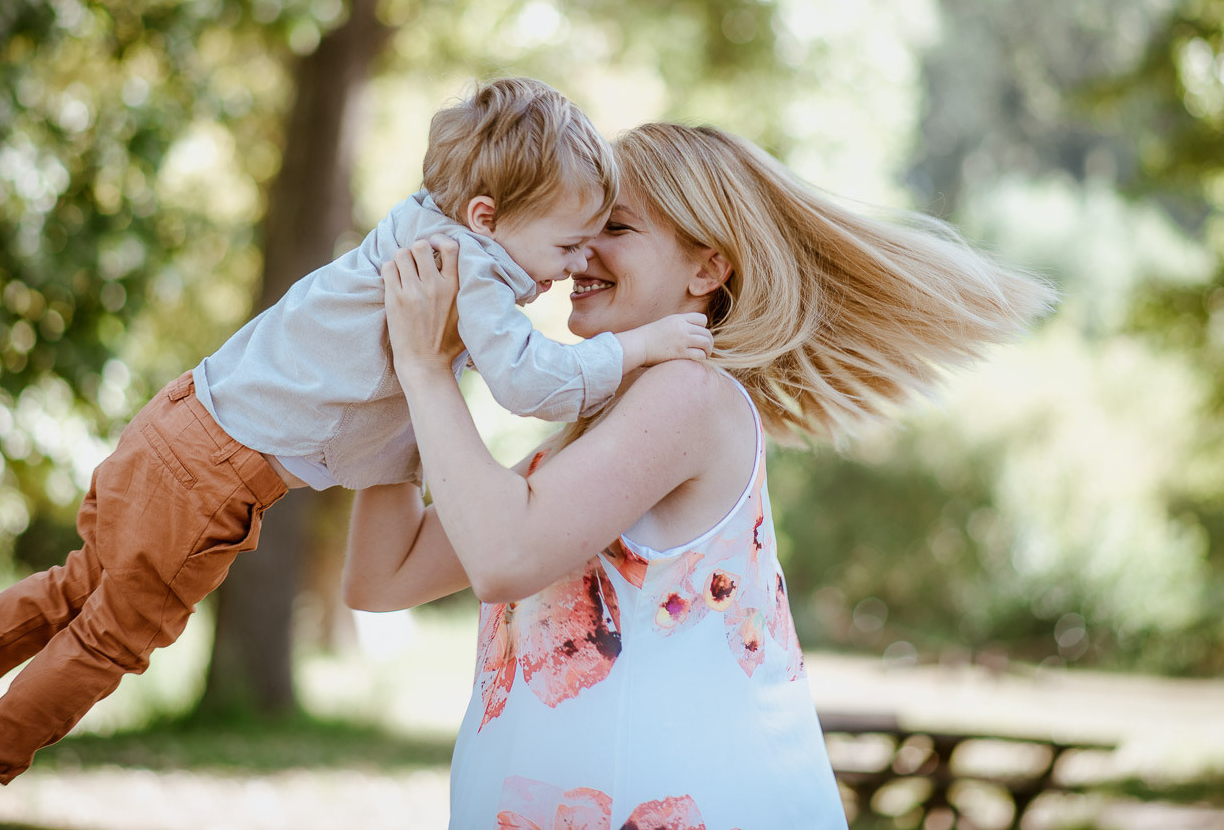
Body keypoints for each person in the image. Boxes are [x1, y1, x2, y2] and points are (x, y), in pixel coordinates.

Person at [0, 78, 714, 830]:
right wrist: (642, 347)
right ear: (487, 218)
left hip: (181, 421)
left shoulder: (423, 223)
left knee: (79, 586)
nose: (573, 266)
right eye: (566, 245)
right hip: (216, 474)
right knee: (113, 640)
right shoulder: (473, 270)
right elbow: (534, 384)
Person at [344, 121, 1056, 828]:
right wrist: (405, 367)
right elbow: (383, 576)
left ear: (706, 269)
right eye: (580, 225)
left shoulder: (689, 395)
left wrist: (426, 368)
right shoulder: (574, 443)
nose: (579, 249)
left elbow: (505, 559)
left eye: (615, 227)